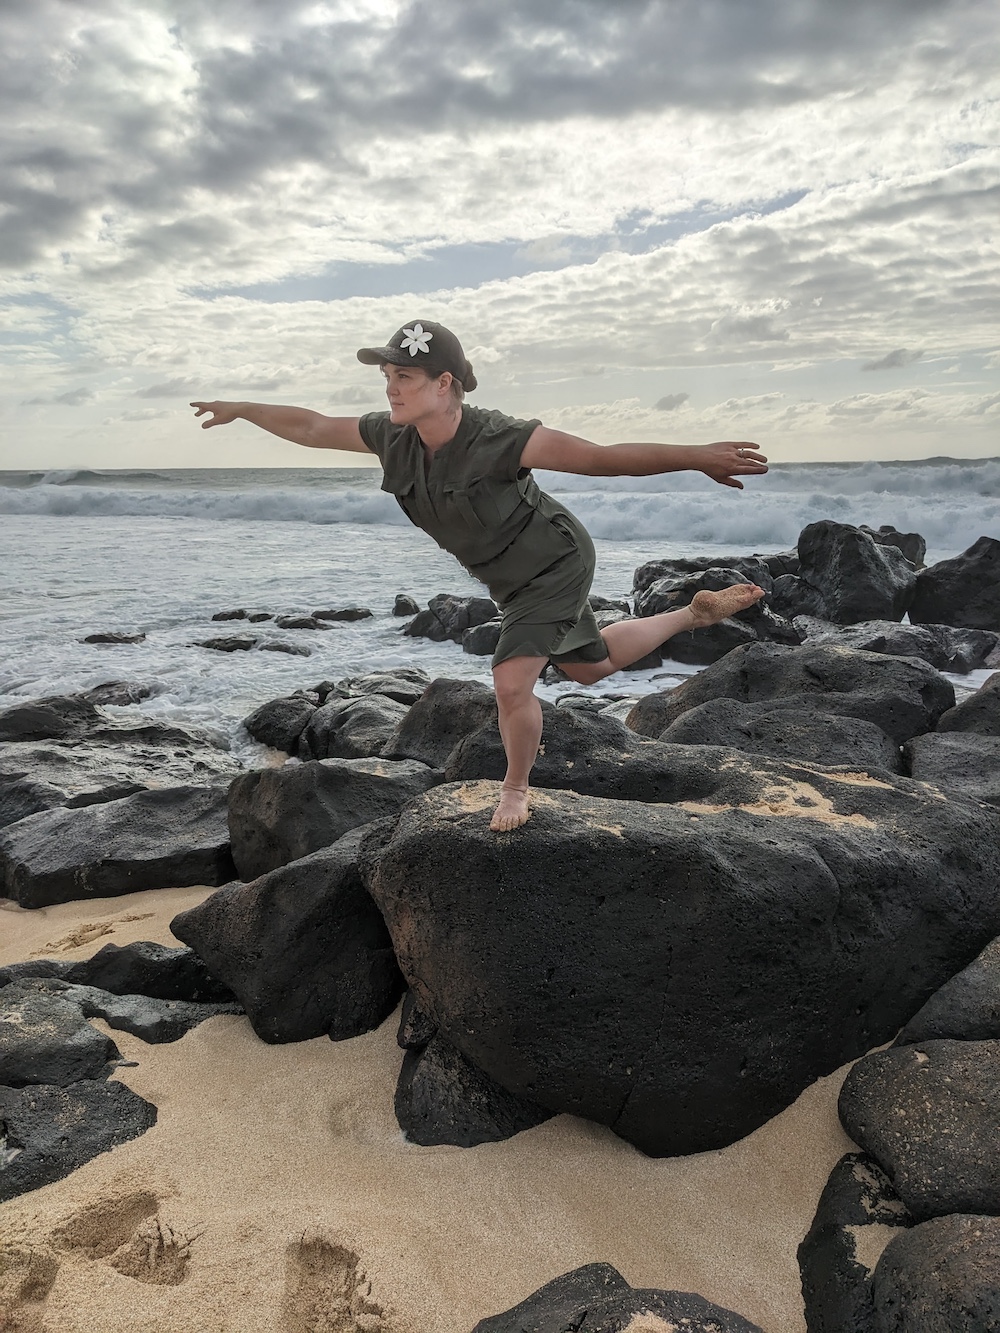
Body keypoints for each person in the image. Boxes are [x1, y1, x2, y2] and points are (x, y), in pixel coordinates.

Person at [191, 320, 768, 832]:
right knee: (590, 668)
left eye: (406, 376)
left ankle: (515, 788)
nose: (391, 387)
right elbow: (314, 427)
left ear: (445, 383)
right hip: (505, 579)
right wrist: (244, 408)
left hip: (555, 560)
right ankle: (694, 614)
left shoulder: (499, 437)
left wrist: (696, 454)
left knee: (512, 682)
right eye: (388, 375)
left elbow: (601, 456)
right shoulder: (390, 437)